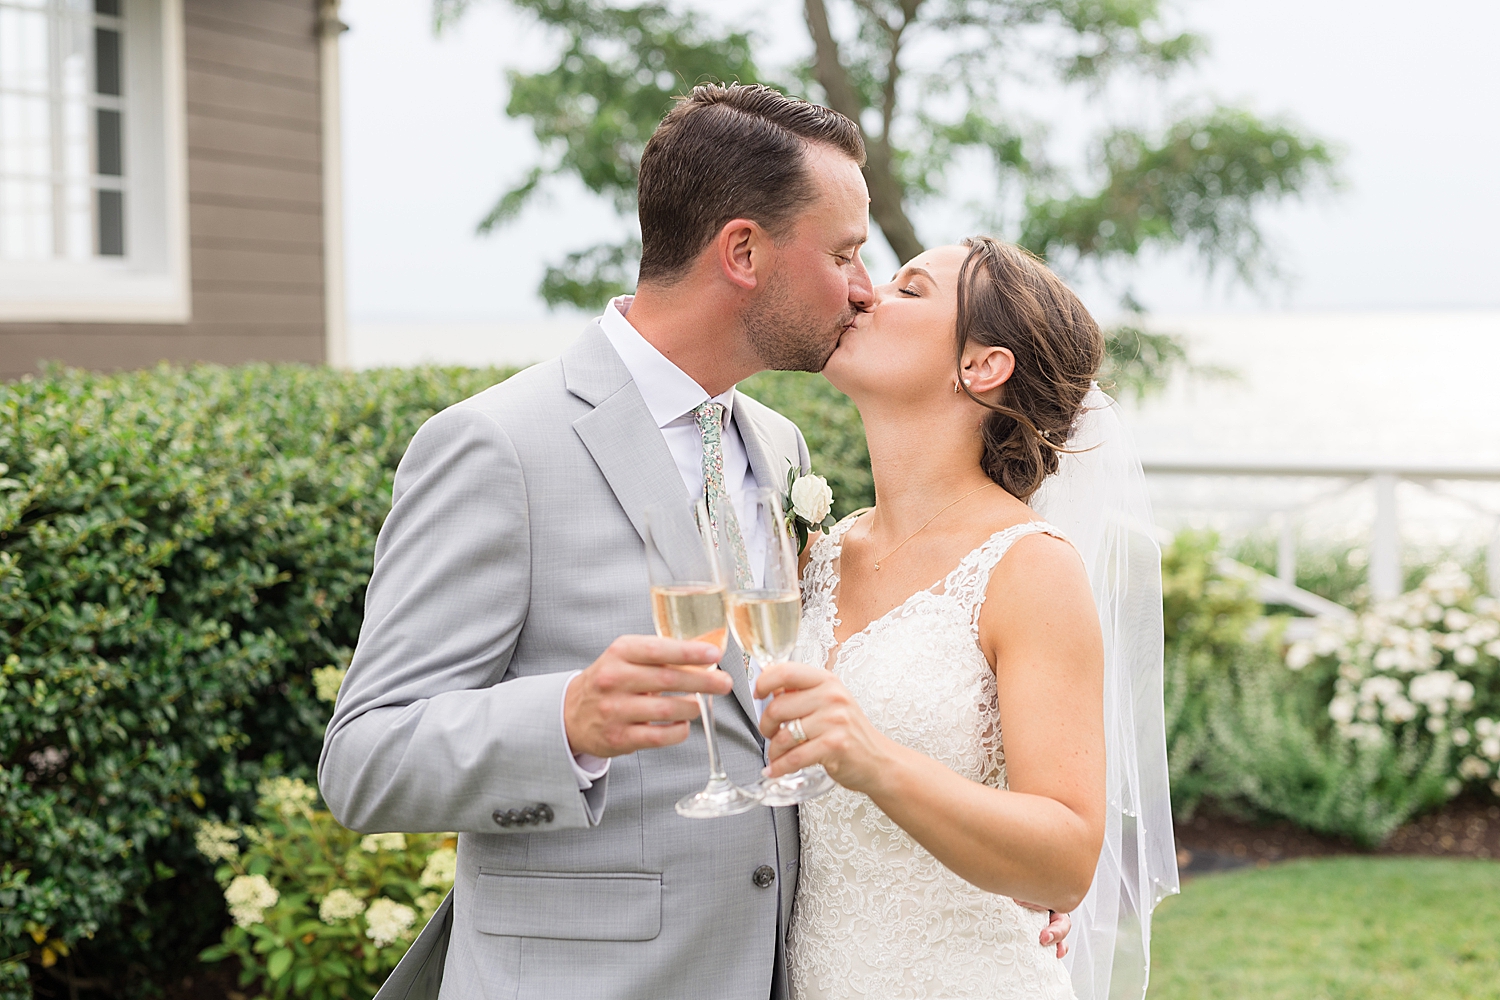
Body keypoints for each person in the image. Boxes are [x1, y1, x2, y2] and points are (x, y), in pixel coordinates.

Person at [318, 83, 1076, 1000]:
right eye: (843, 253)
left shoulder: (780, 448)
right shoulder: (497, 447)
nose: (862, 287)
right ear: (744, 251)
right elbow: (365, 760)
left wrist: (992, 872)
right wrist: (565, 723)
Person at [756, 238, 1177, 1000]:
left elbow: (1067, 859)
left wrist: (874, 760)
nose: (864, 294)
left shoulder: (1029, 568)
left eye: (908, 289)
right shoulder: (815, 549)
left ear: (981, 366)